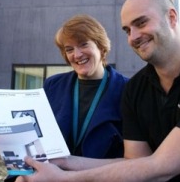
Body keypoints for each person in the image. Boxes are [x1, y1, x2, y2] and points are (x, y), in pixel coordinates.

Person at [17, 0, 180, 182]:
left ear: (171, 18)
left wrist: (62, 178)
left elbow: (160, 168)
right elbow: (134, 163)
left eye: (141, 23)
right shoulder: (137, 89)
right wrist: (64, 162)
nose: (133, 36)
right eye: (127, 30)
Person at [44, 14, 128, 158]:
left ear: (101, 47)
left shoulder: (127, 89)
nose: (77, 55)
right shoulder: (52, 85)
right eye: (69, 49)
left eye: (83, 44)